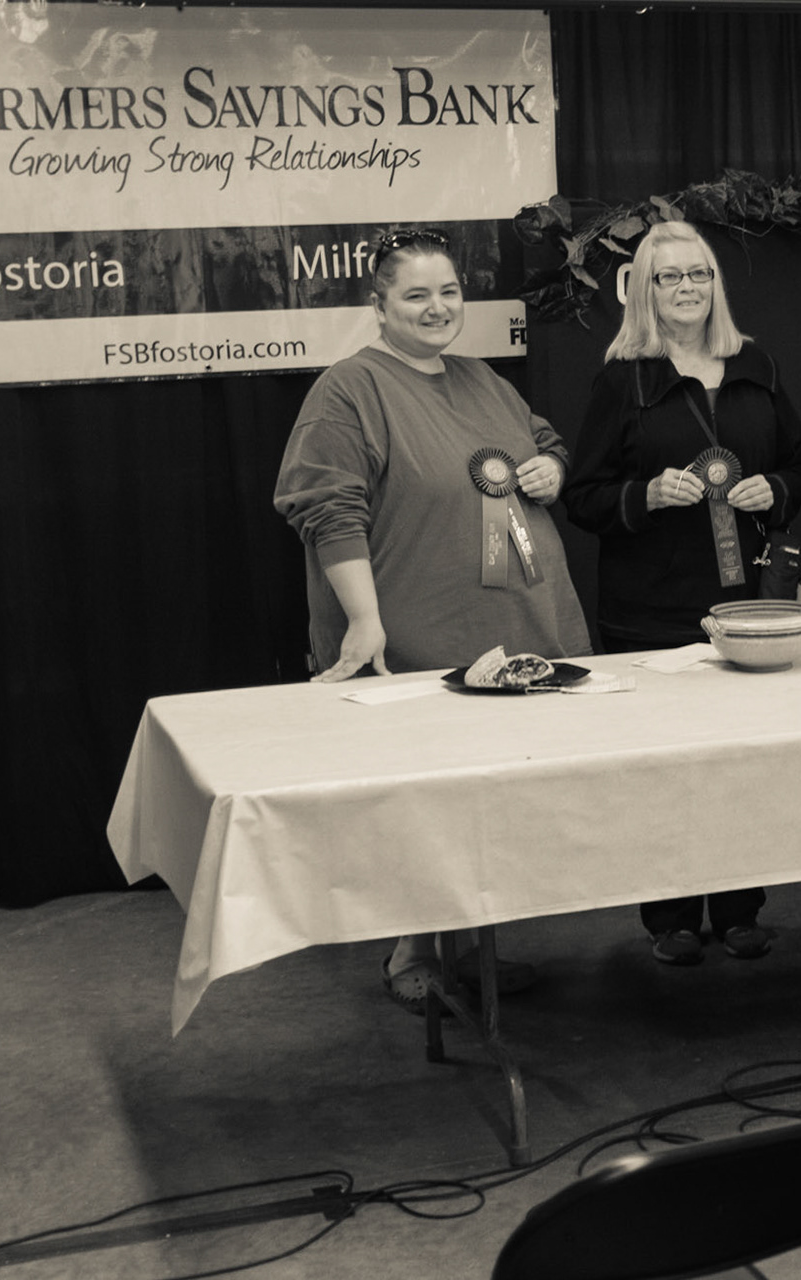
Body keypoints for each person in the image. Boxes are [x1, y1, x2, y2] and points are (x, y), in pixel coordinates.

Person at [275, 227, 591, 1013]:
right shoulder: (349, 390)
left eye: (449, 291)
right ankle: (412, 951)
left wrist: (550, 466)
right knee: (423, 811)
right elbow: (326, 507)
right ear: (377, 305)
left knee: (491, 810)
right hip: (419, 643)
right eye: (415, 294)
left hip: (520, 629)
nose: (437, 307)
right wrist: (363, 623)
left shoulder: (482, 377)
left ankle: (470, 952)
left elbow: (538, 443)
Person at [563, 221, 801, 967]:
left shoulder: (756, 364)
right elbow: (583, 496)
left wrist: (775, 488)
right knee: (664, 773)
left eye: (697, 274)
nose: (685, 289)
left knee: (743, 767)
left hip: (745, 609)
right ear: (643, 290)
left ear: (715, 285)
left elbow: (800, 466)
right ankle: (669, 918)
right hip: (649, 611)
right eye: (668, 277)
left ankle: (740, 910)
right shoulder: (623, 380)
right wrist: (647, 495)